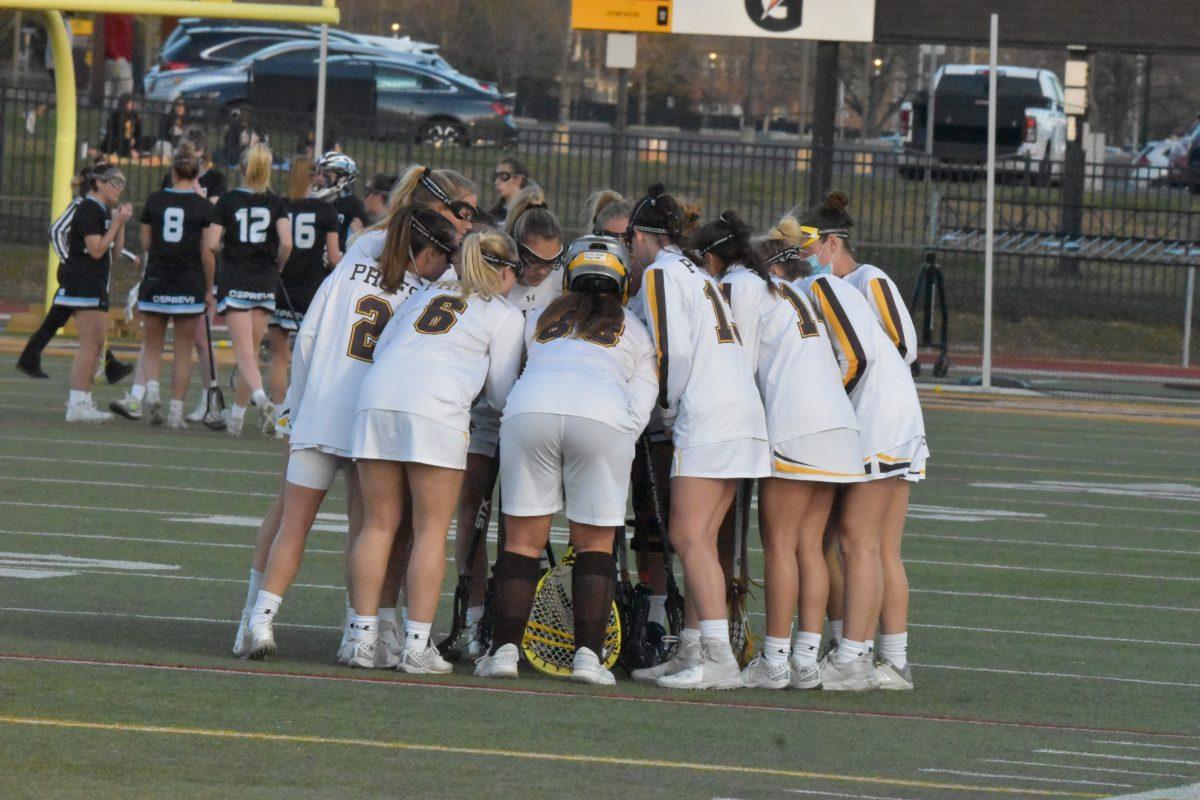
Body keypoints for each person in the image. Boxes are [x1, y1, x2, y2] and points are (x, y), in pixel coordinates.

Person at [237, 206, 460, 662]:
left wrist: (298, 403)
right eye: (444, 255)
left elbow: (310, 336)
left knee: (293, 525)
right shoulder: (423, 292)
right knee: (367, 531)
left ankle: (257, 622)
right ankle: (354, 634)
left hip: (320, 412)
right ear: (428, 250)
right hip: (369, 427)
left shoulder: (350, 269)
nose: (447, 265)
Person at [690, 214, 863, 691]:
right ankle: (804, 660)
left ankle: (775, 659)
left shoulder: (744, 285)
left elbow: (738, 364)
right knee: (810, 546)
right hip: (838, 426)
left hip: (796, 424)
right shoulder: (791, 291)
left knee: (782, 545)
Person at [474, 235, 657, 684]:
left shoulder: (540, 315)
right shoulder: (635, 327)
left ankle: (502, 654)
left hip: (530, 409)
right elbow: (645, 400)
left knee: (521, 542)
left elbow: (505, 382)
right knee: (595, 545)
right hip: (601, 413)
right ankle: (587, 659)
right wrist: (616, 436)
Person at [343, 229, 524, 672]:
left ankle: (361, 639)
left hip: (376, 401)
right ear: (503, 271)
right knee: (429, 531)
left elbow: (383, 348)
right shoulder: (503, 314)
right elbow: (501, 394)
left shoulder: (422, 295)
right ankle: (417, 645)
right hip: (435, 411)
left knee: (378, 526)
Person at [772, 205, 925, 692]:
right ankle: (888, 659)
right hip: (887, 414)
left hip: (875, 417)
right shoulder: (829, 286)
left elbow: (881, 352)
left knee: (858, 541)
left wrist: (829, 407)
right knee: (873, 545)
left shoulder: (839, 283)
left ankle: (855, 656)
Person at [624, 184, 770, 690]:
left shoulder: (664, 270)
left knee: (688, 536)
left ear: (641, 235)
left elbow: (674, 351)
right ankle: (692, 649)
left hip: (710, 415)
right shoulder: (693, 269)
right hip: (739, 410)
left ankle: (718, 659)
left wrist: (663, 405)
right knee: (703, 539)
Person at [451, 182, 565, 657]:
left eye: (551, 262)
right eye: (534, 262)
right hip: (487, 415)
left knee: (524, 527)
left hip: (534, 419)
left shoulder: (563, 282)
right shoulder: (494, 277)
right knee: (472, 514)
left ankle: (512, 622)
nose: (541, 271)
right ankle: (474, 618)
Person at [110, 146, 216, 428]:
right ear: (195, 175)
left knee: (152, 345)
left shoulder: (155, 201)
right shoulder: (204, 207)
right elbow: (207, 251)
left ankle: (152, 392)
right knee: (183, 350)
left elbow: (146, 243)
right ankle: (175, 413)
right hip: (189, 282)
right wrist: (209, 287)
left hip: (157, 279)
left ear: (172, 172)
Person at [204, 143, 292, 436]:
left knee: (244, 353)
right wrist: (277, 264)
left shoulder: (227, 201)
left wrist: (228, 250)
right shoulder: (276, 202)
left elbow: (212, 243)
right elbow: (287, 243)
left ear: (242, 168)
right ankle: (237, 418)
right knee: (251, 352)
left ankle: (261, 399)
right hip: (265, 280)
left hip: (236, 279)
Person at [56, 164, 134, 422]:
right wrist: (116, 222)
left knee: (98, 344)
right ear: (99, 183)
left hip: (96, 283)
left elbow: (115, 251)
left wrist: (119, 224)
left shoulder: (101, 211)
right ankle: (77, 403)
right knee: (89, 344)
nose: (119, 188)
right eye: (115, 182)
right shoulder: (88, 209)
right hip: (83, 282)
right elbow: (97, 249)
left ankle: (84, 400)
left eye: (122, 183)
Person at [265, 157, 343, 404]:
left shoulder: (279, 206)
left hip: (282, 285)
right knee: (310, 356)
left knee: (278, 356)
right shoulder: (327, 210)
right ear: (313, 177)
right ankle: (304, 410)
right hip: (312, 289)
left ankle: (279, 414)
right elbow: (333, 258)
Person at [317, 152, 366, 253]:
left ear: (343, 177)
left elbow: (356, 237)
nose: (320, 178)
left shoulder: (353, 205)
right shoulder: (313, 201)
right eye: (319, 173)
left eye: (326, 174)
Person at [100, 93, 142, 159]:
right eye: (130, 103)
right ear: (123, 104)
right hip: (118, 143)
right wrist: (128, 142)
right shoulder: (115, 117)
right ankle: (126, 152)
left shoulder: (135, 116)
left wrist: (136, 147)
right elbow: (112, 136)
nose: (132, 104)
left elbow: (138, 134)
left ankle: (134, 152)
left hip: (131, 144)